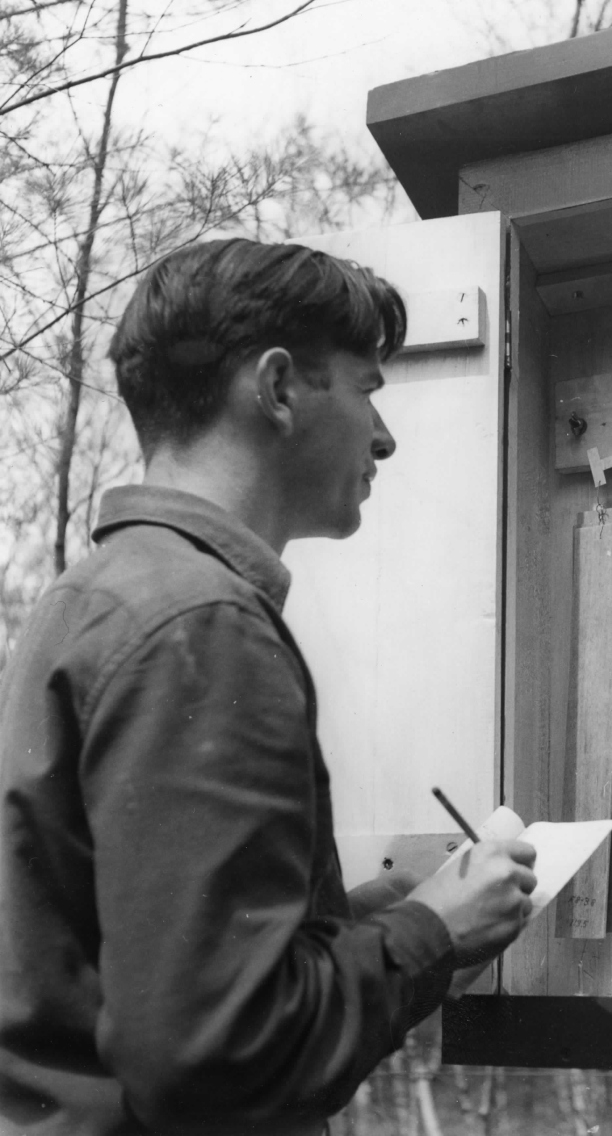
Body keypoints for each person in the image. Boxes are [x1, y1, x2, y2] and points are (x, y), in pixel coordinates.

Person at [0, 239, 537, 1135]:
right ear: (280, 389)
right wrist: (431, 934)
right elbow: (218, 1055)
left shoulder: (101, 597)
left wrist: (348, 922)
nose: (384, 436)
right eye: (367, 388)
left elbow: (149, 965)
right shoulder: (200, 627)